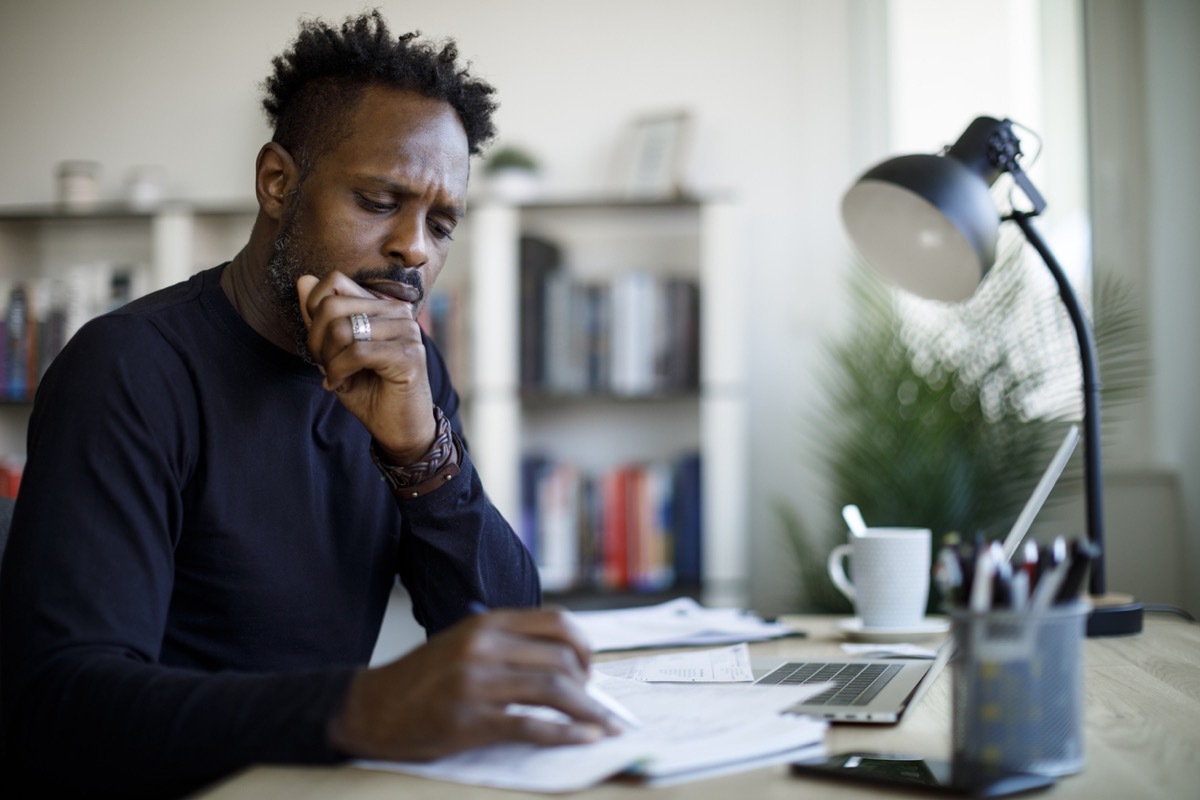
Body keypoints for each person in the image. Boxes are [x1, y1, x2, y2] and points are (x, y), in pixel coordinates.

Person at [0, 10, 617, 798]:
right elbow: (61, 709)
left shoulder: (407, 366)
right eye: (380, 198)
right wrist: (364, 705)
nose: (416, 248)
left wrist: (420, 455)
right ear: (277, 182)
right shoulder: (130, 369)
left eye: (441, 221)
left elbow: (501, 633)